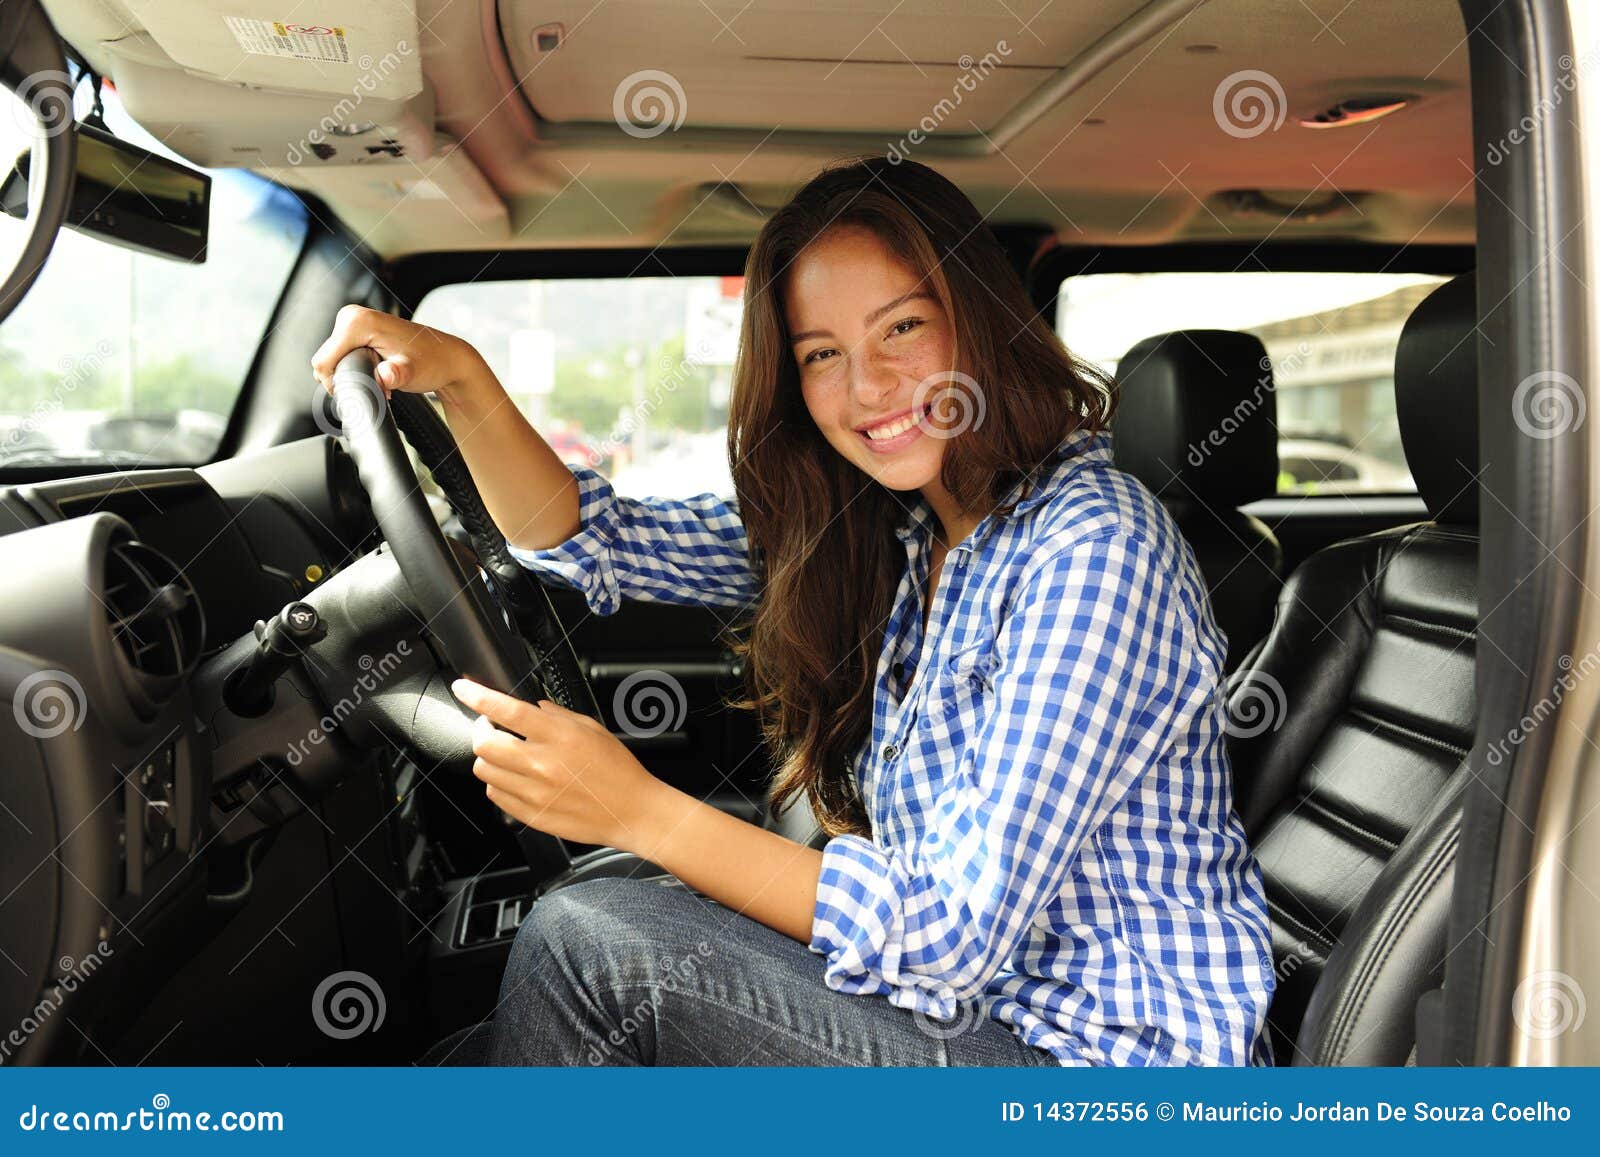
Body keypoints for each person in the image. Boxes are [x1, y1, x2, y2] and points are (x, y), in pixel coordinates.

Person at [311, 156, 1276, 1068]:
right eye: (822, 354)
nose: (866, 388)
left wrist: (638, 809)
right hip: (971, 1017)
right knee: (478, 1049)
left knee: (588, 946)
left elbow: (947, 933)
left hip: (1099, 1065)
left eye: (902, 328)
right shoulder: (897, 530)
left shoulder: (1094, 549)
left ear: (981, 322)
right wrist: (462, 380)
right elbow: (591, 538)